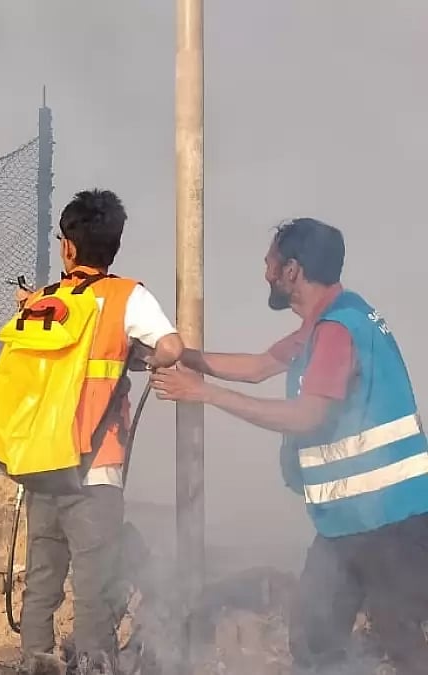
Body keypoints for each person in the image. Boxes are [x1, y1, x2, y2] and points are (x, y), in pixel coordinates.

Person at [150, 218, 428, 674]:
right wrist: (178, 356)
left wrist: (205, 394)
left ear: (292, 271)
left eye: (270, 263)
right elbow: (259, 366)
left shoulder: (337, 329)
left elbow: (306, 416)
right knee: (315, 639)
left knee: (400, 640)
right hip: (348, 522)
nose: (265, 272)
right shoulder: (331, 319)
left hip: (389, 521)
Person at [17, 190, 184, 672]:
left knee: (41, 581)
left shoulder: (43, 300)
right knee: (94, 587)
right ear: (115, 243)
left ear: (68, 247)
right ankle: (94, 665)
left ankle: (35, 660)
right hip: (96, 468)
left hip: (42, 465)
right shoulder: (128, 296)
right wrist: (142, 355)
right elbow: (172, 347)